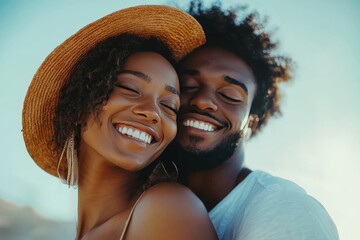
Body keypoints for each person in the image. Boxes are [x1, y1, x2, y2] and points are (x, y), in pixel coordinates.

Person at [22, 5, 218, 240]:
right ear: (77, 102)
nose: (152, 113)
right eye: (129, 88)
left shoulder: (168, 208)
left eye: (169, 106)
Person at [163, 1, 340, 239]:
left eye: (229, 95)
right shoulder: (139, 201)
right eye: (188, 86)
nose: (203, 100)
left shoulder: (283, 206)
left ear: (252, 123)